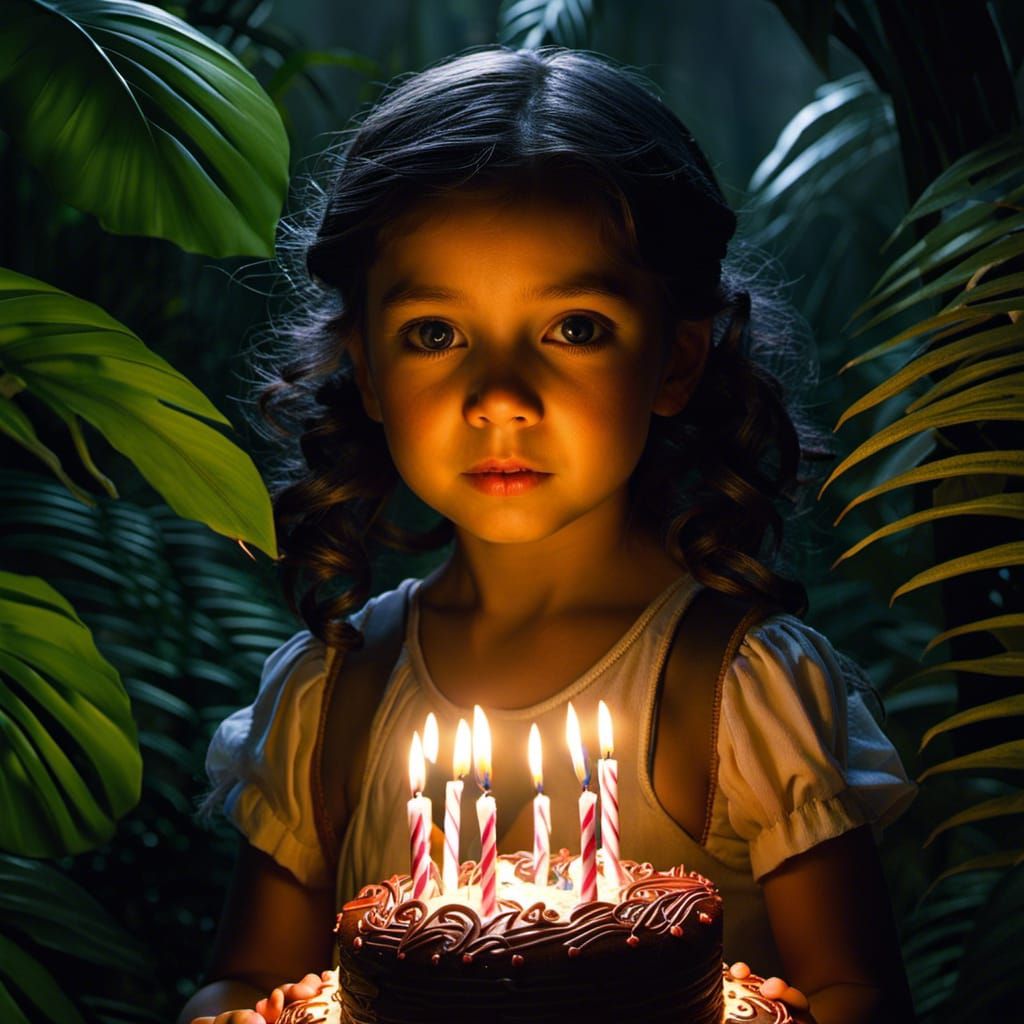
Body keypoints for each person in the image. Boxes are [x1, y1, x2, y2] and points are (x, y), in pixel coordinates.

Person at [177, 45, 918, 1024]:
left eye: (573, 327)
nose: (499, 398)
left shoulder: (738, 692)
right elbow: (247, 983)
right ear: (365, 368)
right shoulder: (334, 694)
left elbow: (854, 993)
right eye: (436, 334)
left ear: (676, 356)